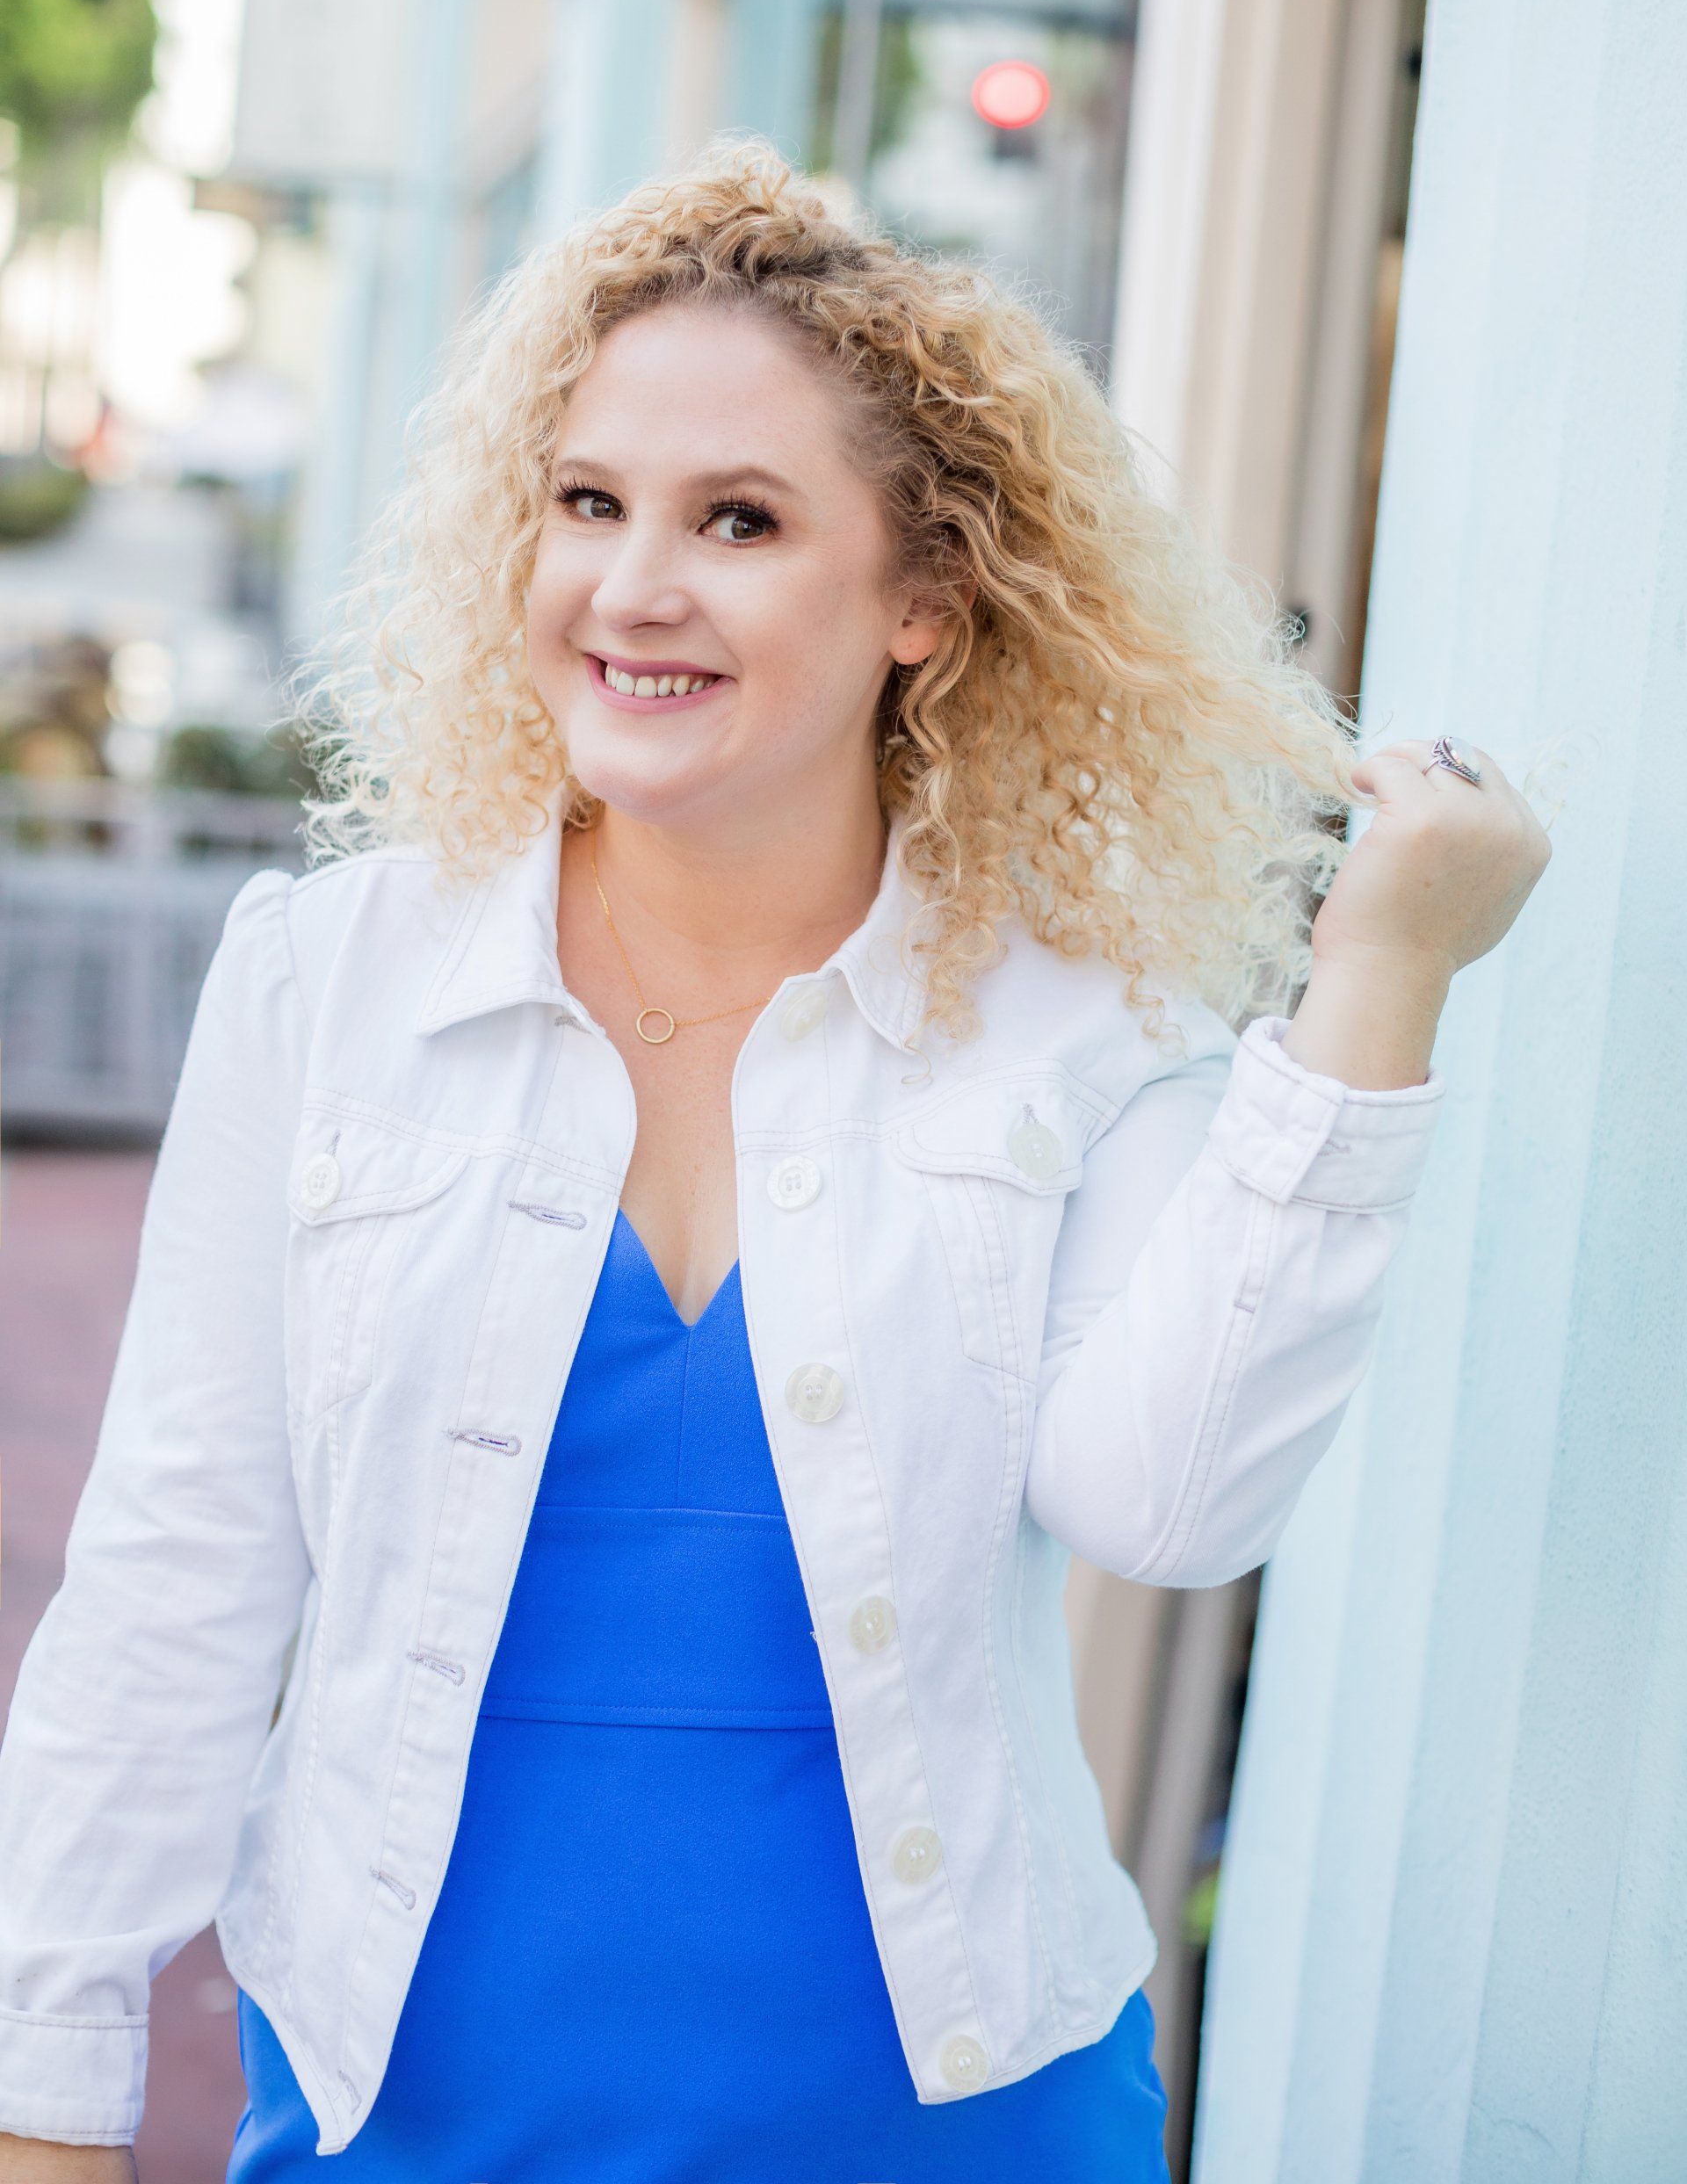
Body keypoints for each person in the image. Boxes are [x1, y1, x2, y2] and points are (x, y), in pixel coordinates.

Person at [0, 146, 1548, 2182]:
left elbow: (1166, 1510)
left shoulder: (1081, 1021)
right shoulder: (331, 983)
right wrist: (49, 2092)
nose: (633, 587)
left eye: (738, 519)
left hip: (951, 2106)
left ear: (924, 597)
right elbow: (179, 1563)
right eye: (587, 505)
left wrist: (1379, 990)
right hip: (413, 2095)